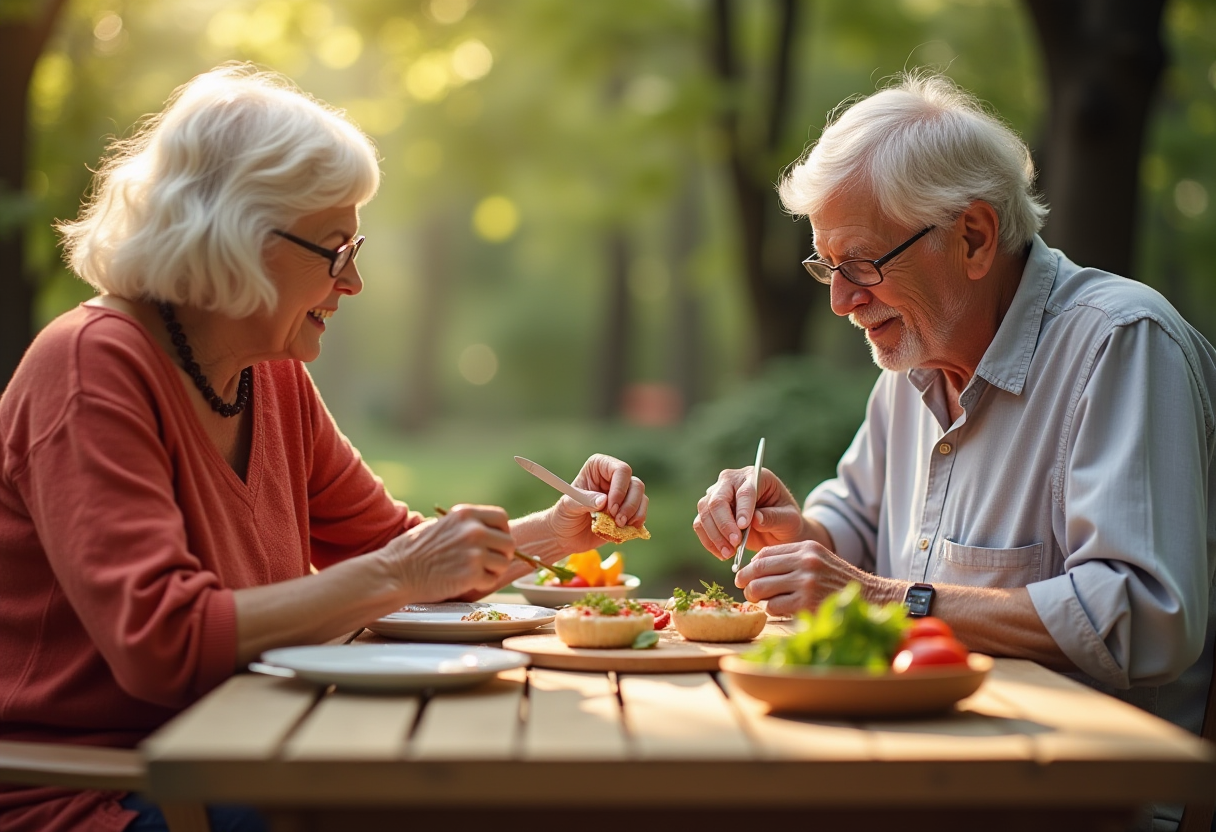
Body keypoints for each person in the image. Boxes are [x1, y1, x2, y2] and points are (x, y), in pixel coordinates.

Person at [0, 65, 648, 832]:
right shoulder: (89, 367)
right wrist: (404, 569)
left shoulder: (266, 373)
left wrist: (551, 531)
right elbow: (162, 641)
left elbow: (393, 551)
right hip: (103, 789)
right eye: (336, 251)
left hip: (249, 746)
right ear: (238, 235)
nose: (356, 282)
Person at [694, 72, 1215, 830]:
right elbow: (855, 534)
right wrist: (796, 536)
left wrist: (883, 600)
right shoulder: (913, 356)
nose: (840, 299)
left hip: (1076, 801)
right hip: (918, 774)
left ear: (972, 237)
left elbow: (1141, 617)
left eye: (861, 263)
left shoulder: (1121, 343)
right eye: (825, 267)